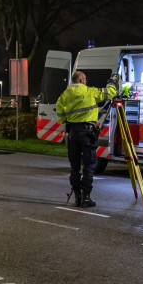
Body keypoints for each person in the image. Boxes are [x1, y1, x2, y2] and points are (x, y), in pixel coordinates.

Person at [55, 70, 118, 207]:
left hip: (72, 134)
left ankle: (77, 197)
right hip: (87, 133)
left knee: (74, 167)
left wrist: (68, 118)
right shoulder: (90, 92)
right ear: (81, 80)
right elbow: (110, 93)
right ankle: (86, 198)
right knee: (89, 166)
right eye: (85, 79)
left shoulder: (64, 95)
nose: (86, 81)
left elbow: (60, 115)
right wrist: (111, 82)